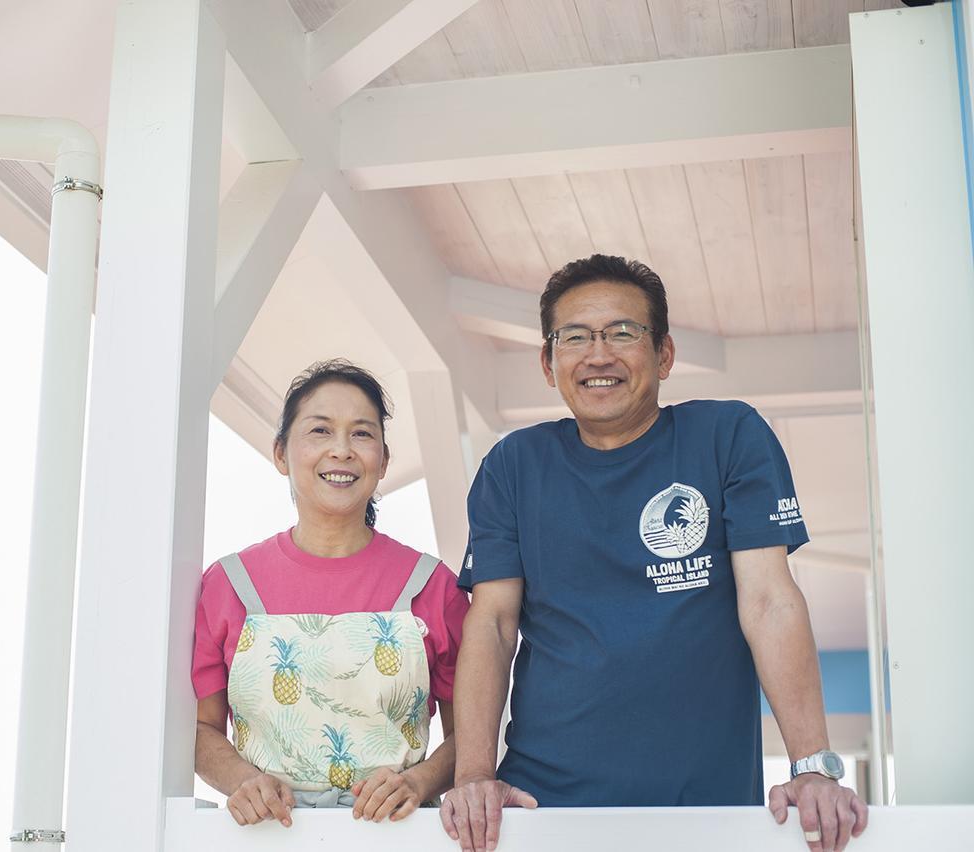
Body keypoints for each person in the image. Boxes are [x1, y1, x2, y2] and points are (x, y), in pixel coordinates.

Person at [442, 255, 869, 852]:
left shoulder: (728, 437)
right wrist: (474, 778)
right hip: (541, 810)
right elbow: (491, 623)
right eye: (575, 337)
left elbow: (770, 599)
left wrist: (813, 766)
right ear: (548, 361)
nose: (598, 355)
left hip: (707, 814)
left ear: (664, 354)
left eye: (623, 333)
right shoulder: (512, 466)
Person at [193, 360, 469, 827]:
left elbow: (471, 734)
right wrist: (243, 780)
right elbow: (200, 729)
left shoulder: (431, 584)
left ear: (383, 461)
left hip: (399, 837)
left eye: (361, 434)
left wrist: (419, 782)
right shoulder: (229, 584)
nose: (341, 450)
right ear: (281, 453)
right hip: (267, 837)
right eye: (320, 431)